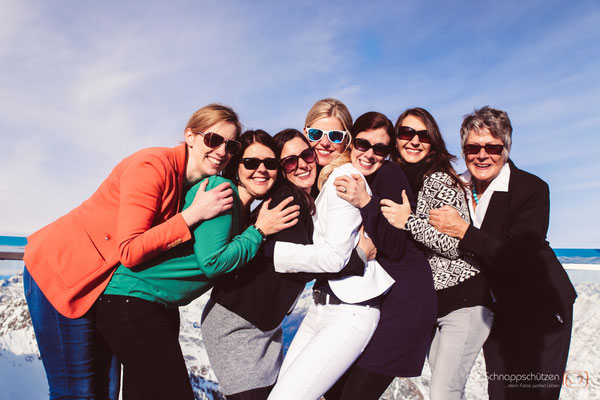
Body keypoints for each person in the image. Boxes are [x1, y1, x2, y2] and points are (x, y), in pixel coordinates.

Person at [23, 103, 244, 399]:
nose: (222, 151)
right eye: (213, 140)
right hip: (62, 274)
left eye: (231, 146)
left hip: (102, 286)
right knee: (76, 392)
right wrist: (193, 215)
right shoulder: (153, 166)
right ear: (190, 136)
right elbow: (128, 250)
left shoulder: (190, 185)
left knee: (107, 391)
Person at [95, 129, 298, 400]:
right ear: (235, 166)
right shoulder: (221, 193)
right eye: (250, 163)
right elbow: (213, 264)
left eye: (270, 163)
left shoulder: (241, 211)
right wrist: (258, 231)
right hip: (133, 302)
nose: (261, 170)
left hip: (152, 304)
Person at [428, 106, 576, 400]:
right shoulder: (456, 185)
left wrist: (462, 230)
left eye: (493, 147)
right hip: (493, 311)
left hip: (539, 310)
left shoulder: (531, 189)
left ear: (507, 147)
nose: (482, 155)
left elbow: (516, 258)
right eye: (473, 147)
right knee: (501, 392)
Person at [377, 107, 493, 399]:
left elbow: (453, 243)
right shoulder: (404, 179)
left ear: (433, 141)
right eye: (406, 133)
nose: (414, 141)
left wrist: (408, 221)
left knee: (444, 392)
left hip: (464, 302)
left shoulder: (437, 178)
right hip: (436, 304)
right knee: (449, 391)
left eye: (423, 135)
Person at [319, 112, 437, 400]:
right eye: (362, 144)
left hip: (406, 304)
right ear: (351, 143)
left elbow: (395, 246)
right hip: (380, 300)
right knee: (334, 390)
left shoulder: (389, 175)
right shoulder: (350, 173)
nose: (370, 154)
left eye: (380, 149)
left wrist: (365, 202)